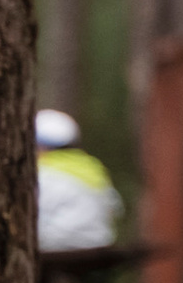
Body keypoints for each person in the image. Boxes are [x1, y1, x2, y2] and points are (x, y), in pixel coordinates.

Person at [35, 108, 123, 256]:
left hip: (54, 244)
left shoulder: (41, 171)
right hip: (98, 242)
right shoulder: (92, 166)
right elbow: (116, 209)